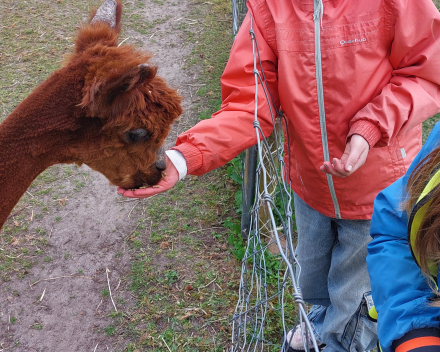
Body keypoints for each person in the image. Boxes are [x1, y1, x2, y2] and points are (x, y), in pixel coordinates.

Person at [118, 0, 440, 351]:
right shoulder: (269, 7)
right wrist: (185, 158)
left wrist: (371, 125)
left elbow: (425, 72)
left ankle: (336, 342)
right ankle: (321, 325)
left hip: (378, 193)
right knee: (314, 279)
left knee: (357, 299)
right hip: (309, 184)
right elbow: (250, 102)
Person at [367, 121, 440, 352]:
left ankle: (344, 336)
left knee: (347, 275)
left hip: (371, 177)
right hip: (316, 184)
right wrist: (416, 334)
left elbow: (416, 89)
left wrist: (370, 126)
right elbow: (398, 226)